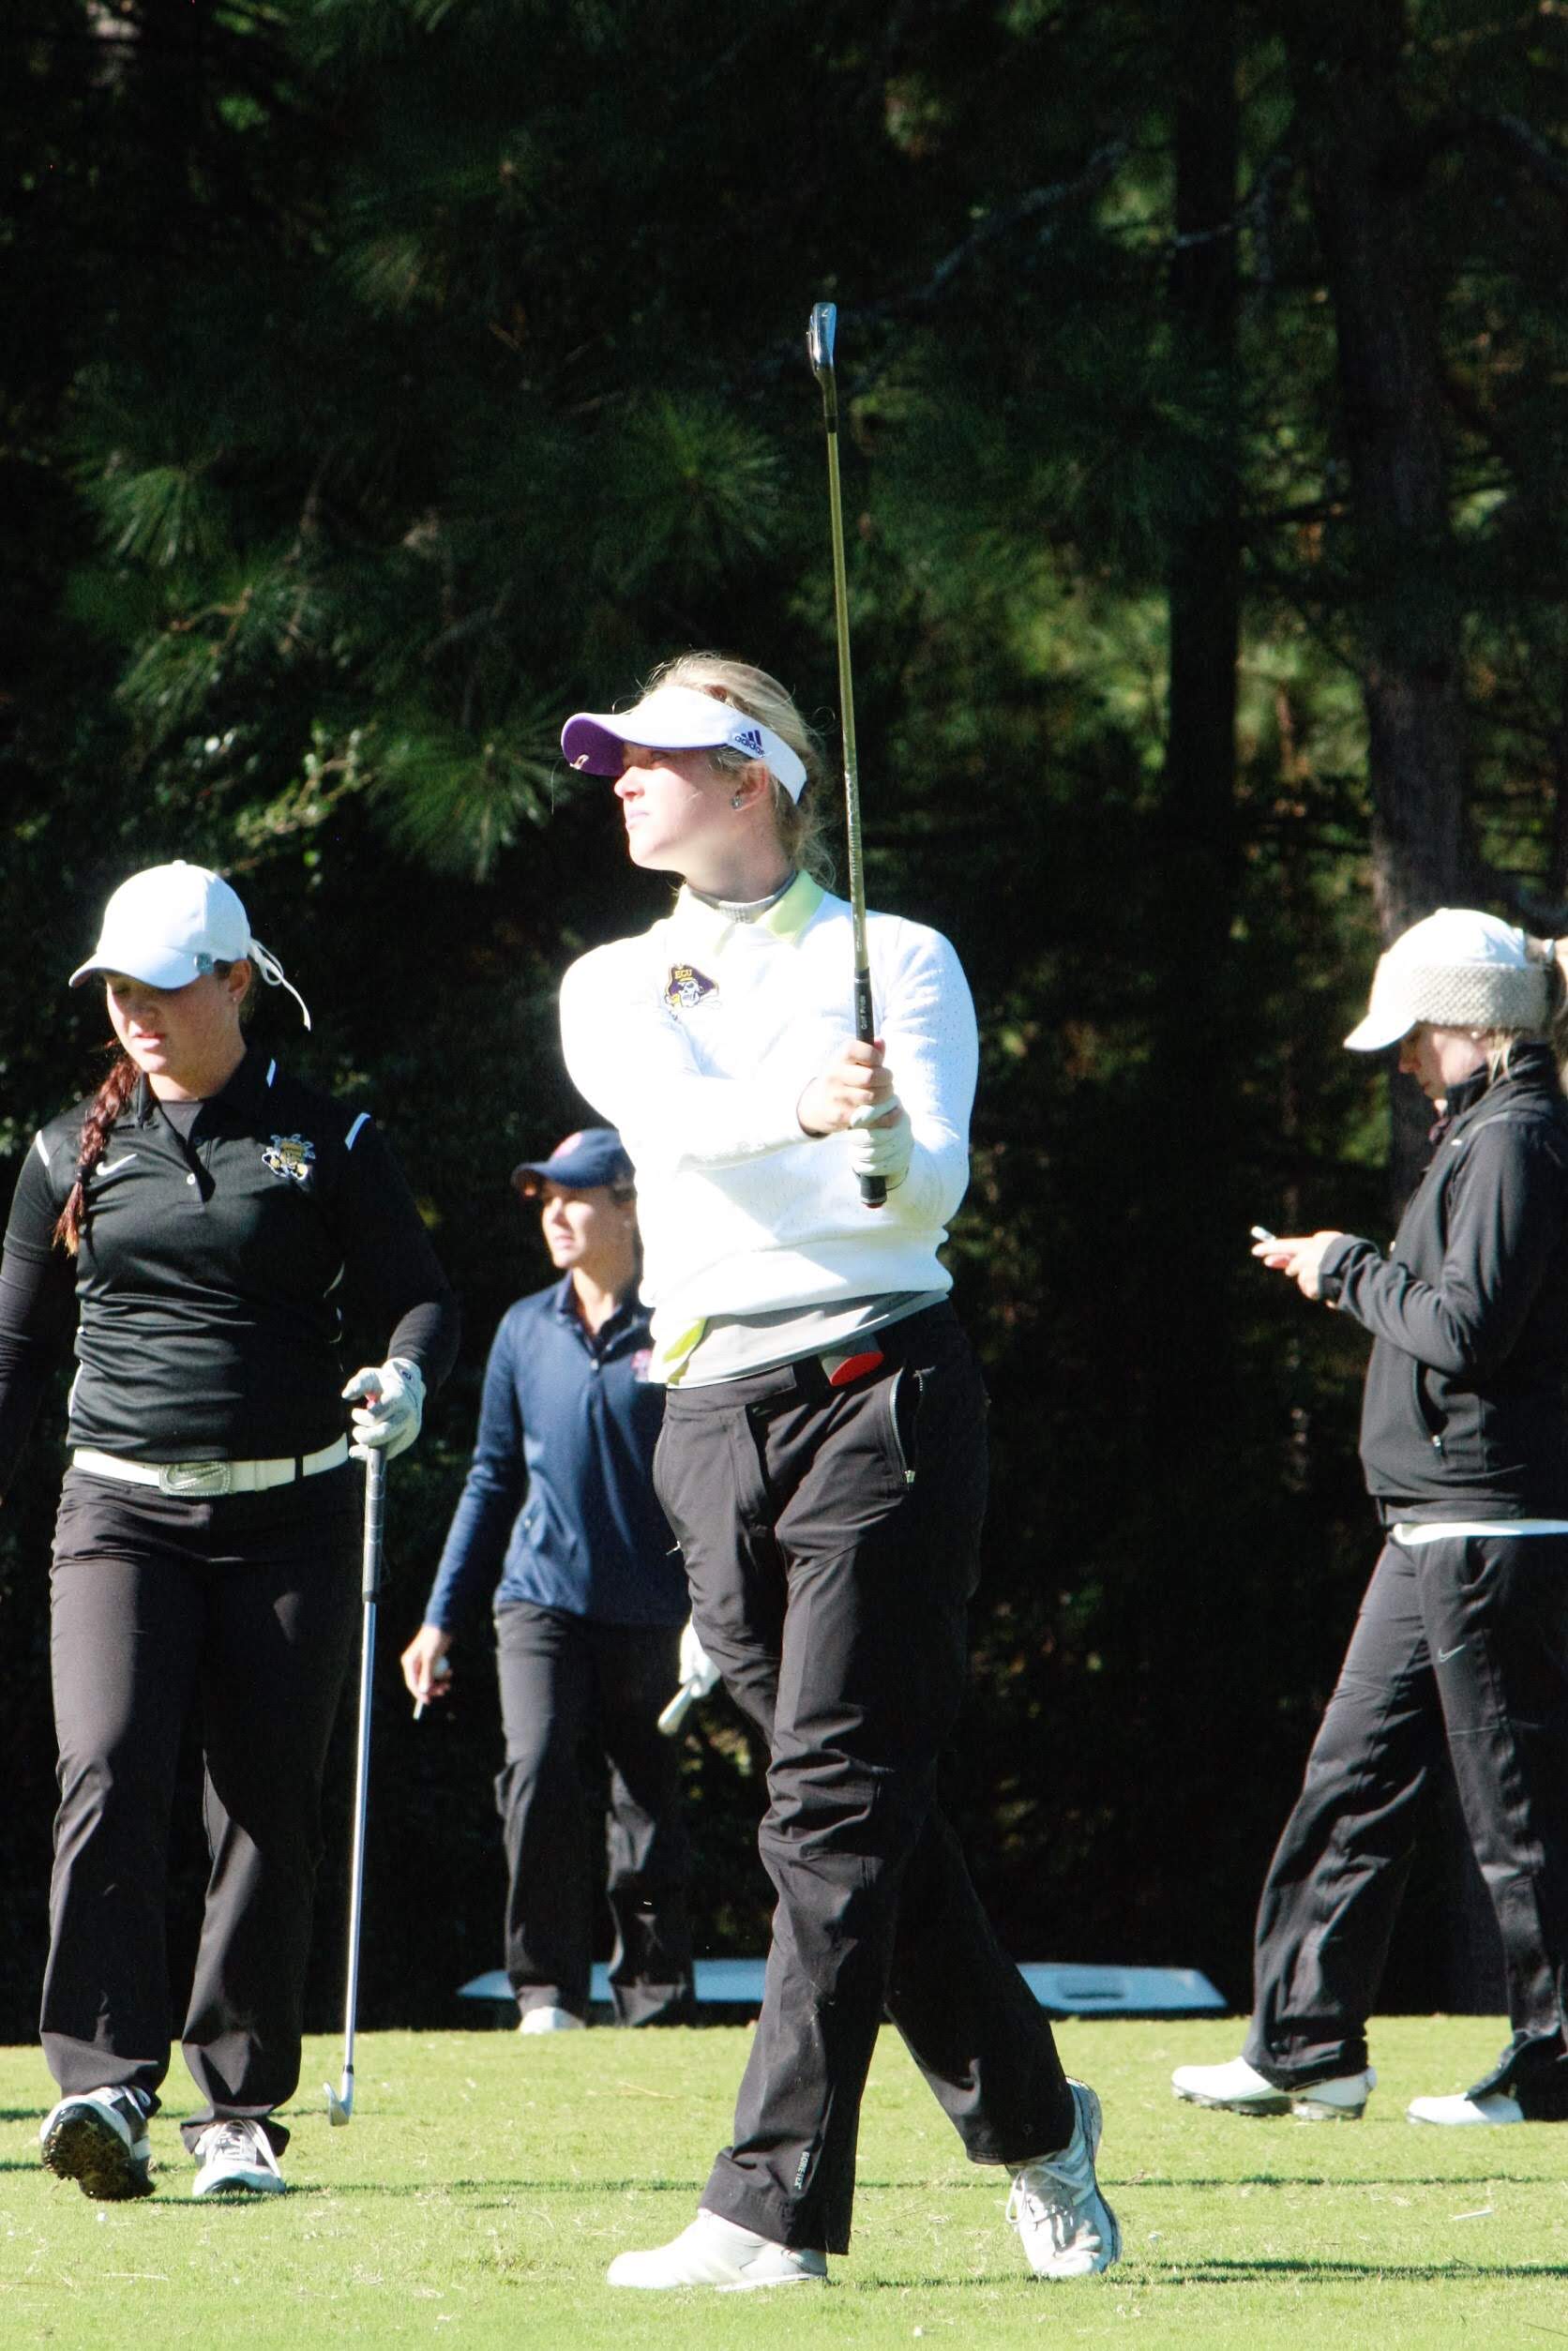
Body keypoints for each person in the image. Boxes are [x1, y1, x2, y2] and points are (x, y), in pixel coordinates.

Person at [553, 652, 1120, 2289]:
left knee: (830, 1803)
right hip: (706, 1412)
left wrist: (876, 1141)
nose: (620, 776)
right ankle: (1036, 2117)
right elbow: (665, 1120)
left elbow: (922, 1196)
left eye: (655, 754)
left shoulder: (900, 957)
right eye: (615, 756)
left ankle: (767, 2205)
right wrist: (802, 1104)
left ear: (752, 776)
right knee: (863, 1808)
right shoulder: (611, 979)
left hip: (881, 1391)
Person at [0, 860, 459, 2202]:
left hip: (291, 1515)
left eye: (162, 986)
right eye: (118, 989)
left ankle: (238, 2109)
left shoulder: (332, 1139)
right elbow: (17, 1355)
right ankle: (101, 2083)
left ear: (236, 979)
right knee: (106, 1768)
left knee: (264, 1806)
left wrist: (406, 1378)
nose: (136, 1011)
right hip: (118, 1514)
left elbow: (419, 1297)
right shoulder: (65, 1150)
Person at [1173, 908, 1568, 2127]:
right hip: (1432, 1522)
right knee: (1351, 1777)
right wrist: (1351, 1265)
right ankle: (1306, 2043)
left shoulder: (1516, 1138)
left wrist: (1347, 1265)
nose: (1401, 1058)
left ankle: (1556, 2059)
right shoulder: (1482, 1134)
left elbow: (1468, 1328)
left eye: (1414, 1033)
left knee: (1514, 1806)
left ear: (1472, 1025)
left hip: (1491, 1520)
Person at [400, 1125, 698, 2033]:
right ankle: (546, 1992)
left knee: (646, 1802)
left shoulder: (682, 1318)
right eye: (547, 1200)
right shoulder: (525, 1328)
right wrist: (440, 1617)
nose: (557, 1215)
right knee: (535, 1770)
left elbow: (716, 1472)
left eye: (576, 1197)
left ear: (628, 1206)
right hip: (541, 1598)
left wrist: (721, 1604)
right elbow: (492, 1478)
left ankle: (654, 1999)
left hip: (653, 1604)